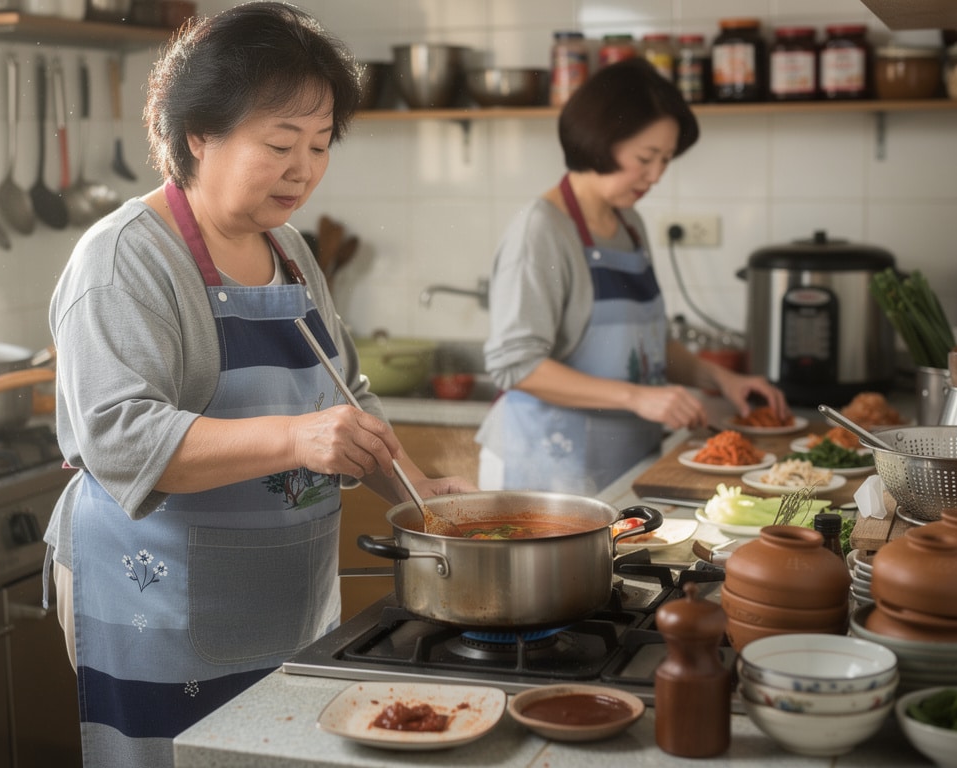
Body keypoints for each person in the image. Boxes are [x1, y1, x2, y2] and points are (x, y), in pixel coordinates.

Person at [43, 4, 474, 764]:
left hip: (284, 596)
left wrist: (413, 489)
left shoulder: (292, 251)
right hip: (160, 600)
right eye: (279, 144)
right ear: (198, 134)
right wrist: (295, 438)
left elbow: (347, 394)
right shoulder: (124, 259)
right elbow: (120, 440)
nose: (303, 168)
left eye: (319, 144)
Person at [477, 57, 788, 495]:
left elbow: (648, 343)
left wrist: (719, 379)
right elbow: (515, 365)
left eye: (666, 160)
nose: (656, 175)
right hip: (546, 473)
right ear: (600, 140)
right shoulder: (541, 230)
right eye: (645, 158)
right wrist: (638, 397)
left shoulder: (629, 224)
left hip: (623, 463)